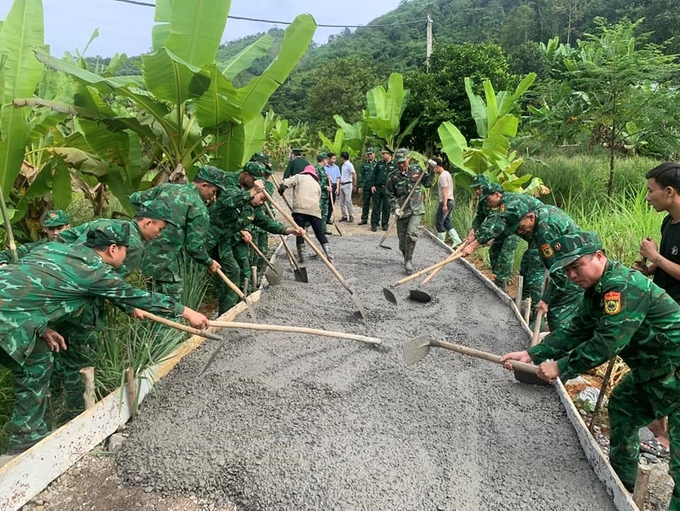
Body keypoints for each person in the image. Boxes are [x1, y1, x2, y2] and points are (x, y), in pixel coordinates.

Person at [501, 231, 680, 510]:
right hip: (654, 370)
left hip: (675, 371)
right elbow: (577, 330)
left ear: (599, 256)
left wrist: (561, 366)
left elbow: (606, 343)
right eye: (567, 270)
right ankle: (623, 485)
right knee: (623, 406)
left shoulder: (621, 286)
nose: (572, 275)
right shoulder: (597, 290)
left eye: (577, 266)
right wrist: (533, 353)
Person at [0, 223, 208, 456]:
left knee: (39, 348)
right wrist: (188, 313)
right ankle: (25, 440)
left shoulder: (55, 249)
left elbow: (29, 291)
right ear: (112, 249)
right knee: (36, 362)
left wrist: (41, 327)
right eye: (125, 250)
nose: (126, 255)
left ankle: (28, 434)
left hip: (13, 313)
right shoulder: (94, 272)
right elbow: (138, 296)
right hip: (6, 320)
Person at [49, 200, 177, 421]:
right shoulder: (130, 244)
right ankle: (75, 418)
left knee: (60, 355)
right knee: (81, 363)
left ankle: (53, 404)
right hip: (82, 310)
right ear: (147, 222)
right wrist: (130, 305)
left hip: (59, 299)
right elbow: (111, 287)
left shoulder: (107, 224)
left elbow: (63, 240)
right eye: (160, 228)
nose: (160, 234)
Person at [630, 162, 680, 458]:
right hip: (662, 304)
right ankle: (660, 433)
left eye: (651, 191)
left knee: (668, 373)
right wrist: (648, 268)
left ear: (670, 191)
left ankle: (667, 441)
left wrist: (656, 258)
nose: (648, 197)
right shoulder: (667, 222)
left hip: (676, 314)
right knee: (651, 367)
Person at [207, 163, 304, 314]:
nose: (262, 202)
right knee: (230, 271)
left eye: (265, 201)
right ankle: (226, 308)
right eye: (261, 198)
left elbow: (267, 222)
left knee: (233, 271)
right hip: (207, 238)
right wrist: (253, 191)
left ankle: (228, 311)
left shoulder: (252, 208)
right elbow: (229, 202)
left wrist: (289, 230)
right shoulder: (231, 190)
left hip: (222, 241)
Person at [129, 166, 225, 301]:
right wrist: (209, 262)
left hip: (143, 253)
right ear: (204, 185)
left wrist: (149, 216)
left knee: (152, 300)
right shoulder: (198, 209)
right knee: (171, 306)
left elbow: (134, 198)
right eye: (214, 192)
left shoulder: (167, 188)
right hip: (167, 262)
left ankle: (152, 322)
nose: (214, 198)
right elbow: (194, 247)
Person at [463, 182, 544, 305]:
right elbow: (491, 223)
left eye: (489, 199)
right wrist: (474, 236)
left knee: (532, 268)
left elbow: (497, 226)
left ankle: (533, 306)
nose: (487, 202)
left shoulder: (510, 204)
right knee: (525, 263)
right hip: (529, 235)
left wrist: (472, 246)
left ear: (497, 194)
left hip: (542, 236)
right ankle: (521, 299)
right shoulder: (502, 203)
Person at [515, 204, 584, 331]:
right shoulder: (543, 211)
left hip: (576, 274)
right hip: (576, 266)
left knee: (558, 317)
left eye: (521, 227)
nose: (520, 232)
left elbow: (559, 275)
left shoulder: (544, 232)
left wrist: (545, 300)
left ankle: (563, 347)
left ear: (530, 217)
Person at [466, 176, 521, 293]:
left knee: (505, 255)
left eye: (479, 188)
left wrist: (475, 243)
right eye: (475, 189)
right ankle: (499, 279)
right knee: (494, 251)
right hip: (498, 229)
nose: (477, 191)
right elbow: (480, 217)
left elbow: (495, 224)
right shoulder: (484, 201)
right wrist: (473, 230)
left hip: (512, 230)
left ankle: (504, 282)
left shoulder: (500, 202)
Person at [386, 148, 435, 274]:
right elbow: (390, 195)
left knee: (412, 234)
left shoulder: (417, 170)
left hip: (416, 209)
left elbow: (428, 184)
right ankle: (405, 256)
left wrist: (431, 170)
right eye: (399, 163)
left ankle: (408, 260)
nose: (401, 165)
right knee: (402, 241)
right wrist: (395, 208)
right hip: (402, 211)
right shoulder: (392, 177)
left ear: (409, 159)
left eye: (404, 162)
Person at [278, 165, 333, 262]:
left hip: (300, 210)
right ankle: (329, 255)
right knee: (319, 233)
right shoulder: (317, 184)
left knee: (299, 232)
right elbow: (318, 199)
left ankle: (302, 257)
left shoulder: (298, 177)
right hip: (314, 211)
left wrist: (281, 189)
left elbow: (285, 183)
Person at [0, 209, 70, 264]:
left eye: (59, 228)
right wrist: (2, 263)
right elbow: (6, 255)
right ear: (45, 229)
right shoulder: (36, 246)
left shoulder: (77, 244)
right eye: (51, 229)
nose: (55, 232)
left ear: (68, 227)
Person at [433, 157, 462, 246]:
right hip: (451, 200)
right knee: (446, 221)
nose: (434, 171)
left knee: (439, 222)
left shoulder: (442, 176)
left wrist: (444, 204)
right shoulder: (447, 173)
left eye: (434, 168)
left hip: (447, 201)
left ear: (437, 166)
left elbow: (445, 190)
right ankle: (456, 240)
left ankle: (441, 243)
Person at [370, 148, 395, 232]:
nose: (383, 155)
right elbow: (374, 174)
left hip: (388, 188)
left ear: (389, 154)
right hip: (378, 187)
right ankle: (374, 223)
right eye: (382, 153)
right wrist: (373, 185)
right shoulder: (379, 164)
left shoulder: (394, 165)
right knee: (376, 206)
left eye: (384, 153)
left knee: (386, 207)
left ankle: (385, 224)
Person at [314, 152, 332, 235]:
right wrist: (325, 187)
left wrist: (329, 179)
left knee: (325, 212)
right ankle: (313, 228)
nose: (327, 161)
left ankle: (323, 228)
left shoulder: (323, 169)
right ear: (323, 160)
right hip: (319, 195)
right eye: (326, 159)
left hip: (325, 195)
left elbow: (324, 180)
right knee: (317, 212)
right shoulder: (316, 169)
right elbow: (316, 181)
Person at [358, 148, 376, 226]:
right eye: (368, 154)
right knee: (365, 203)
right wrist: (359, 186)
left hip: (375, 187)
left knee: (376, 204)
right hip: (366, 186)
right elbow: (361, 175)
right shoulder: (364, 164)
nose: (370, 155)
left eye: (371, 154)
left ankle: (375, 220)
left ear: (374, 154)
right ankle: (364, 219)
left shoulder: (378, 164)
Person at [338, 151, 356, 222]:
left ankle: (351, 215)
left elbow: (354, 174)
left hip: (348, 184)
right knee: (342, 201)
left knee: (348, 200)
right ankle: (344, 215)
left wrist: (354, 184)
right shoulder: (343, 165)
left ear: (342, 158)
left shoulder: (349, 165)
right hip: (342, 184)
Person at [324, 153, 341, 224]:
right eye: (333, 159)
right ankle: (323, 218)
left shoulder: (336, 167)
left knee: (332, 203)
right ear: (329, 159)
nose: (334, 160)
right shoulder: (324, 167)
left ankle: (328, 218)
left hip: (333, 186)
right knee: (325, 203)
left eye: (335, 159)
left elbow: (338, 178)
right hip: (326, 186)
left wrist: (337, 188)